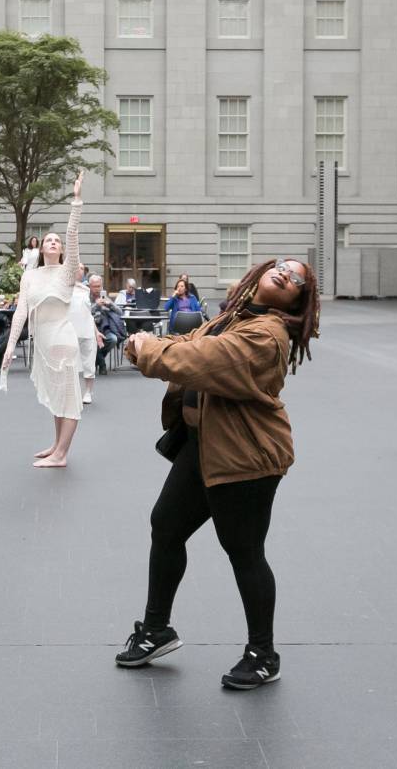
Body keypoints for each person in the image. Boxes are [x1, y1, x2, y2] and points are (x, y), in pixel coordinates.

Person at [115, 258, 319, 690]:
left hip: (246, 455)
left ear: (298, 301)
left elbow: (205, 358)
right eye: (282, 267)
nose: (287, 274)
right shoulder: (236, 315)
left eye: (297, 279)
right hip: (204, 443)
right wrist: (158, 341)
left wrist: (146, 348)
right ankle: (156, 631)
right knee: (166, 527)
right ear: (260, 273)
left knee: (243, 552)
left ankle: (263, 655)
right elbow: (194, 338)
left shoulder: (267, 334)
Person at [0, 172, 88, 469]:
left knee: (68, 397)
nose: (52, 242)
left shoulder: (66, 271)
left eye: (56, 241)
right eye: (48, 239)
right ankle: (56, 444)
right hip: (43, 344)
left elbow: (73, 234)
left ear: (62, 250)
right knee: (55, 396)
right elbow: (21, 311)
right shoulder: (30, 275)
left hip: (62, 340)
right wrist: (11, 346)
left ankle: (62, 454)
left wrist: (76, 202)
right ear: (40, 249)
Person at [70, 265, 104, 405]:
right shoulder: (66, 288)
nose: (80, 270)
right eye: (77, 267)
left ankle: (88, 391)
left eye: (82, 268)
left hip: (87, 330)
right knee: (71, 363)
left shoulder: (86, 290)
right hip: (71, 330)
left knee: (89, 363)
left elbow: (89, 314)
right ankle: (73, 391)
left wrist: (96, 332)